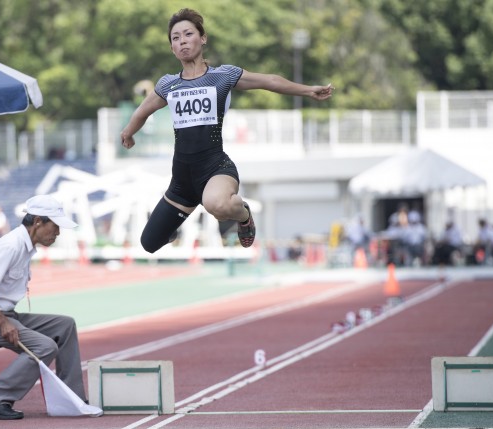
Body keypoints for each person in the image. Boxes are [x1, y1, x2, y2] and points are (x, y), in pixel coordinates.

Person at [120, 8, 334, 254]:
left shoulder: (222, 77)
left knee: (217, 205)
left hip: (215, 168)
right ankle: (175, 225)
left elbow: (269, 81)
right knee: (149, 243)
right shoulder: (169, 84)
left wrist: (307, 90)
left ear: (203, 38)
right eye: (175, 38)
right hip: (182, 179)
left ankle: (244, 216)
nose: (182, 41)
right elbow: (142, 112)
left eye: (188, 34)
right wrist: (128, 132)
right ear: (172, 48)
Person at [0, 195, 86, 420]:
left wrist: (6, 318)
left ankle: (71, 397)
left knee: (65, 325)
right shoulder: (11, 246)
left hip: (4, 314)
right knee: (45, 346)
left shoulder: (25, 245)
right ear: (38, 222)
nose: (58, 233)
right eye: (55, 226)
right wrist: (3, 322)